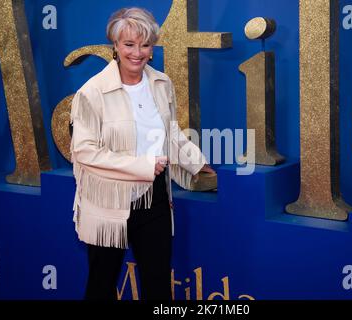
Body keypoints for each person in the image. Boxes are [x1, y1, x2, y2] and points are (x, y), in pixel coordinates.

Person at [70, 7, 215, 300]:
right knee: (101, 285)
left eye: (145, 44)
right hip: (107, 203)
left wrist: (200, 165)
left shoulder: (161, 83)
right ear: (115, 45)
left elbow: (170, 135)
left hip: (155, 200)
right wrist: (142, 166)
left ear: (152, 48)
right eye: (129, 44)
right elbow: (85, 152)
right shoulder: (92, 92)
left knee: (159, 286)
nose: (137, 52)